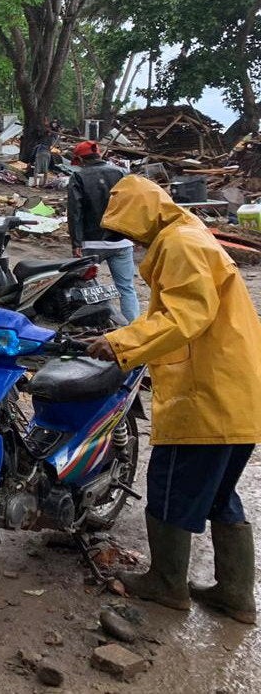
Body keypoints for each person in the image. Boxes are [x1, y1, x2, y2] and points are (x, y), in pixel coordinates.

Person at [86, 175, 261, 625]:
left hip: (206, 394)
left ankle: (167, 586)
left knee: (168, 489)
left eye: (127, 226)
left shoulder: (180, 243)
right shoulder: (191, 234)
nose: (130, 237)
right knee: (221, 495)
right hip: (237, 395)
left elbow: (184, 315)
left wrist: (121, 343)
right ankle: (236, 596)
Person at [66, 140, 139, 322]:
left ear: (80, 160)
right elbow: (133, 206)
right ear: (100, 155)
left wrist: (76, 243)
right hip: (122, 241)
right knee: (127, 288)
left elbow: (75, 211)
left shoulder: (79, 177)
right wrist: (135, 235)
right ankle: (132, 327)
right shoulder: (121, 172)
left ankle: (101, 324)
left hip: (91, 243)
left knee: (90, 288)